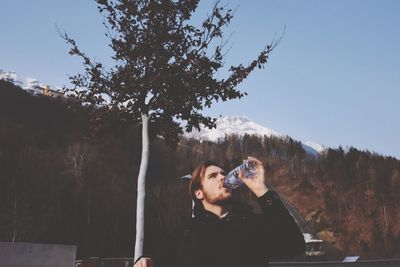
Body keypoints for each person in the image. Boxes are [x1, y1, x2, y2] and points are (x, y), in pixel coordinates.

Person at [134, 156, 305, 267]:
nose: (222, 177)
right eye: (213, 176)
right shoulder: (185, 232)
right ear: (198, 193)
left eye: (223, 174)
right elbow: (158, 261)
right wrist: (145, 261)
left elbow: (294, 245)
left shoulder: (250, 222)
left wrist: (262, 190)